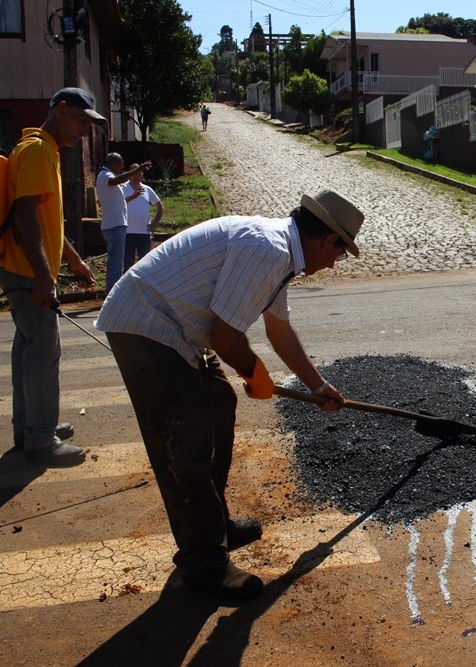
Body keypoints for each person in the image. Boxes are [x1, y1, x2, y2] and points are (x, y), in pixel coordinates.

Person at [94, 190, 364, 600]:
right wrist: (253, 371)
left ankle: (213, 528)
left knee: (220, 404)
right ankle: (204, 564)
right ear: (329, 240)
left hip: (179, 330)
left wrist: (317, 385)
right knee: (187, 442)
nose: (333, 264)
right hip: (147, 324)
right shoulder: (268, 249)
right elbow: (225, 335)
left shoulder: (282, 257)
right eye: (340, 254)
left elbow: (279, 332)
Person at [0, 87, 102, 466]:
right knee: (43, 353)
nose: (84, 131)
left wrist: (72, 259)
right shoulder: (39, 151)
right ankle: (40, 440)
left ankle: (30, 429)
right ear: (60, 110)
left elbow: (48, 219)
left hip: (23, 270)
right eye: (81, 121)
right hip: (28, 273)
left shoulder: (43, 150)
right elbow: (25, 216)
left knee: (28, 351)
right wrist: (44, 276)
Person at [95, 153, 151, 293]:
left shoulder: (105, 176)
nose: (122, 167)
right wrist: (137, 170)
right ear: (113, 164)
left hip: (114, 224)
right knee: (116, 262)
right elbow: (114, 181)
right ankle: (113, 293)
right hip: (115, 225)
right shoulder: (106, 175)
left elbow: (116, 199)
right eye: (121, 164)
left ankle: (112, 291)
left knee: (116, 260)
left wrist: (132, 197)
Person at [122, 163, 163, 270]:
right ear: (129, 174)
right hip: (127, 232)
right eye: (134, 173)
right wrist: (132, 196)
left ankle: (143, 286)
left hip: (144, 232)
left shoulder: (147, 189)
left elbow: (160, 206)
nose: (137, 175)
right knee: (128, 263)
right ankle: (128, 286)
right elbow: (117, 204)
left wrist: (154, 223)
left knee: (144, 264)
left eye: (139, 172)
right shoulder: (122, 188)